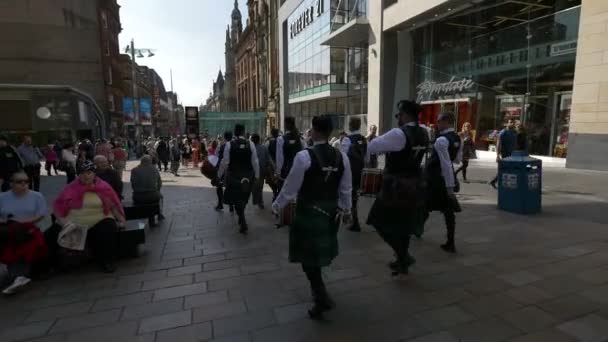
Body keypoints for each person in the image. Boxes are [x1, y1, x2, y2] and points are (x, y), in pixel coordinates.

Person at [272, 115, 352, 320]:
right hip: (329, 213)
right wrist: (346, 209)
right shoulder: (341, 156)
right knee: (314, 256)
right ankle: (320, 295)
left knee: (307, 257)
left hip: (308, 213)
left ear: (315, 130)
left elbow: (290, 187)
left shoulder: (304, 156)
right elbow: (346, 188)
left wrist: (277, 205)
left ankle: (320, 297)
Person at [366, 100, 430, 275]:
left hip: (395, 186)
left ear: (405, 115)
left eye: (398, 115)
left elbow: (371, 147)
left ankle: (403, 256)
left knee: (377, 220)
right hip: (415, 184)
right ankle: (402, 262)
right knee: (404, 225)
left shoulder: (398, 133)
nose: (397, 118)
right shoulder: (425, 132)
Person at [49, 160, 125, 273]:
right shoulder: (71, 187)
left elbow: (113, 205)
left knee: (108, 227)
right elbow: (58, 205)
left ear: (94, 174)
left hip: (98, 219)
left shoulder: (103, 187)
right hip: (74, 222)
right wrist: (63, 221)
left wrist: (121, 220)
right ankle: (51, 265)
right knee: (50, 234)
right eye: (82, 173)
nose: (85, 176)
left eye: (89, 173)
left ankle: (107, 261)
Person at [0, 171, 48, 295]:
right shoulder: (3, 197)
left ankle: (17, 276)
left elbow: (40, 215)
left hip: (30, 230)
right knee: (11, 235)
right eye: (19, 182)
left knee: (19, 238)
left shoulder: (37, 196)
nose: (23, 184)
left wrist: (21, 223)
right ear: (11, 184)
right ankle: (18, 276)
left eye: (26, 181)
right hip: (9, 230)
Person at [425, 112, 463, 254]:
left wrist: (449, 187)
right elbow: (457, 160)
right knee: (448, 212)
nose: (437, 123)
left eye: (439, 120)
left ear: (446, 121)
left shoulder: (441, 140)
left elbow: (446, 164)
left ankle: (417, 230)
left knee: (424, 203)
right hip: (444, 177)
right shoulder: (458, 138)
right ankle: (450, 242)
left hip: (434, 178)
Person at [218, 124, 259, 234]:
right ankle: (242, 217)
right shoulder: (250, 144)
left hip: (234, 177)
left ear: (235, 132)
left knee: (236, 200)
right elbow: (255, 161)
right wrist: (257, 176)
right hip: (248, 177)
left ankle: (242, 219)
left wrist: (218, 175)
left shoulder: (229, 145)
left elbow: (225, 163)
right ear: (244, 132)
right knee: (244, 198)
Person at [340, 117, 367, 232]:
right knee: (354, 195)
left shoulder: (347, 139)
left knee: (349, 195)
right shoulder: (363, 139)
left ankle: (353, 221)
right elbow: (367, 156)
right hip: (360, 171)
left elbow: (342, 157)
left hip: (350, 171)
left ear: (350, 126)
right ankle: (353, 220)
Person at [131, 155, 164, 221]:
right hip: (152, 195)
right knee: (161, 197)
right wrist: (157, 191)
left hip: (138, 196)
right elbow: (159, 183)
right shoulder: (154, 169)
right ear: (150, 161)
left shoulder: (134, 170)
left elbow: (133, 184)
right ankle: (159, 214)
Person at [276, 117, 305, 192]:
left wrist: (278, 172)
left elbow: (280, 158)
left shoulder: (281, 139)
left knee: (285, 192)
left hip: (286, 171)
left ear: (285, 125)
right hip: (298, 170)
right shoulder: (301, 139)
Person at [489, 119, 517, 189]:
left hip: (512, 154)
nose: (512, 124)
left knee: (510, 169)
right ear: (507, 123)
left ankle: (498, 182)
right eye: (510, 122)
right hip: (505, 154)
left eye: (513, 123)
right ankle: (494, 181)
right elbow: (498, 145)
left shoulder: (514, 132)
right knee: (505, 169)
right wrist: (498, 155)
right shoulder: (503, 132)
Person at [251, 134, 273, 209]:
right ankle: (260, 202)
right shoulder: (264, 147)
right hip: (262, 170)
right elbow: (268, 159)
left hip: (254, 171)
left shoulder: (251, 148)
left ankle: (258, 201)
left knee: (255, 186)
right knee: (260, 186)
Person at [214, 132, 233, 211]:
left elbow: (217, 157)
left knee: (219, 187)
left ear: (224, 138)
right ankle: (231, 205)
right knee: (231, 188)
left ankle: (220, 204)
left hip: (224, 169)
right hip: (233, 170)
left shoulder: (221, 146)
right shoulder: (234, 145)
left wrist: (219, 173)